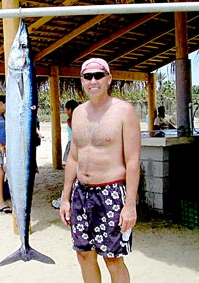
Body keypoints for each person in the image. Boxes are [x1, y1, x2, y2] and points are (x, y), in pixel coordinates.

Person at [59, 58, 141, 283]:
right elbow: (73, 158)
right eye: (88, 76)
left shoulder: (124, 111)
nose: (93, 81)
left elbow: (133, 162)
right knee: (84, 255)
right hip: (81, 193)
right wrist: (65, 198)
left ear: (108, 79)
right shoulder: (77, 114)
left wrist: (130, 206)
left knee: (113, 258)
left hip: (111, 193)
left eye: (98, 75)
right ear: (82, 81)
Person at [52, 99, 79, 209]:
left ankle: (65, 198)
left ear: (69, 110)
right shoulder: (80, 119)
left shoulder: (71, 120)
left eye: (66, 109)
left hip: (73, 145)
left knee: (71, 175)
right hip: (79, 145)